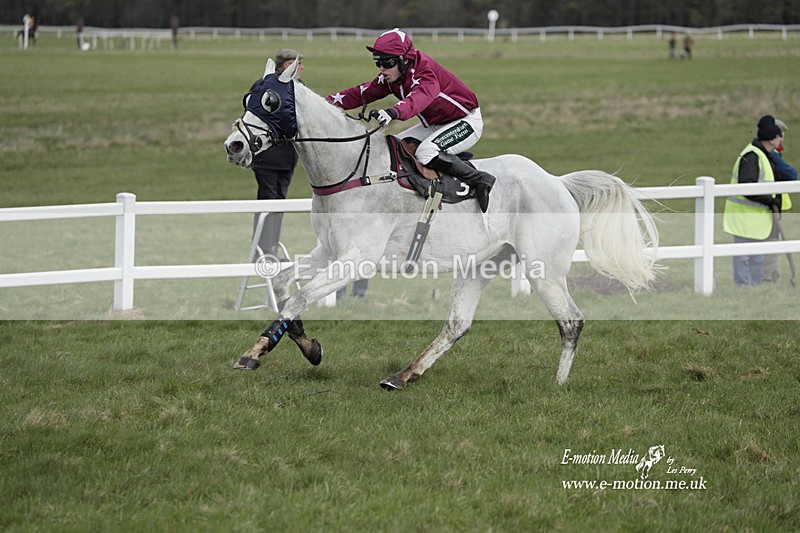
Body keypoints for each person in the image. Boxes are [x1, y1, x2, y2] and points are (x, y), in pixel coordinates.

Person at [326, 28, 496, 213]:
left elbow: (418, 98)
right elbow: (362, 92)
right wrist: (324, 103)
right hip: (435, 124)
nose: (382, 68)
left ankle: (480, 179)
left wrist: (393, 112)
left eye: (387, 62)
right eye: (378, 63)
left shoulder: (426, 73)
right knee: (392, 147)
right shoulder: (394, 75)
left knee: (426, 153)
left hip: (465, 122)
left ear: (404, 60)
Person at [250, 49, 305, 260]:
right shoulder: (264, 86)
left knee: (279, 204)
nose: (299, 68)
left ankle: (270, 248)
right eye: (295, 64)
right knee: (267, 203)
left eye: (299, 64)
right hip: (267, 156)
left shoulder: (299, 88)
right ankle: (262, 251)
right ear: (283, 66)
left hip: (288, 157)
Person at [723, 117, 785, 286]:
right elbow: (747, 187)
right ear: (772, 139)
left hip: (755, 218)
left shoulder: (764, 155)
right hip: (744, 217)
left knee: (757, 256)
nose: (781, 140)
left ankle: (754, 288)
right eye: (779, 136)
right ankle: (744, 288)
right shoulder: (752, 156)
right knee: (744, 256)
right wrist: (769, 201)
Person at [761, 117, 797, 282]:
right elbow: (791, 175)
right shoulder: (771, 154)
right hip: (771, 206)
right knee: (771, 240)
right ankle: (768, 276)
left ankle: (771, 274)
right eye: (780, 135)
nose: (782, 139)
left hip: (776, 206)